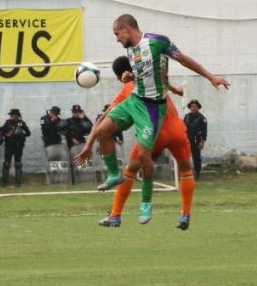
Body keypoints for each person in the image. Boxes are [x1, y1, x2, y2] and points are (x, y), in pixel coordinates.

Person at [95, 14, 229, 224]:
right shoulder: (131, 50)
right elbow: (150, 75)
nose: (116, 39)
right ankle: (114, 176)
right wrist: (130, 77)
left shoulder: (157, 42)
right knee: (103, 131)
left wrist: (211, 76)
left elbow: (183, 59)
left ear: (126, 28)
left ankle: (142, 204)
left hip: (153, 110)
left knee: (141, 158)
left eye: (116, 34)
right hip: (136, 102)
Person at [75, 56, 195, 229]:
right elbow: (163, 80)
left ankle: (115, 215)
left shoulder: (128, 90)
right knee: (186, 170)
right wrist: (175, 90)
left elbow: (102, 119)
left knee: (130, 171)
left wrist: (88, 145)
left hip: (154, 134)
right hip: (177, 130)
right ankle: (185, 214)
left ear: (119, 77)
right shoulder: (150, 80)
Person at [1, 108, 31, 187]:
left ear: (16, 115)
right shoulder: (7, 122)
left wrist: (21, 134)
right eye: (10, 115)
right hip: (9, 146)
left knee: (18, 164)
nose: (10, 116)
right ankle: (4, 182)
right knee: (6, 163)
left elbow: (28, 133)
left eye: (12, 115)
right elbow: (2, 132)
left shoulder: (21, 123)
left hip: (18, 146)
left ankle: (18, 182)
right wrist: (6, 134)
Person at [183, 99, 207, 180]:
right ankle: (186, 172)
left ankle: (197, 172)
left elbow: (204, 130)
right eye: (192, 106)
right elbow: (183, 127)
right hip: (187, 139)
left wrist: (202, 141)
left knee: (196, 157)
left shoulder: (202, 118)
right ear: (190, 108)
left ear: (198, 108)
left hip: (196, 140)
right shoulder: (186, 117)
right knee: (185, 156)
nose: (193, 108)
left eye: (195, 106)